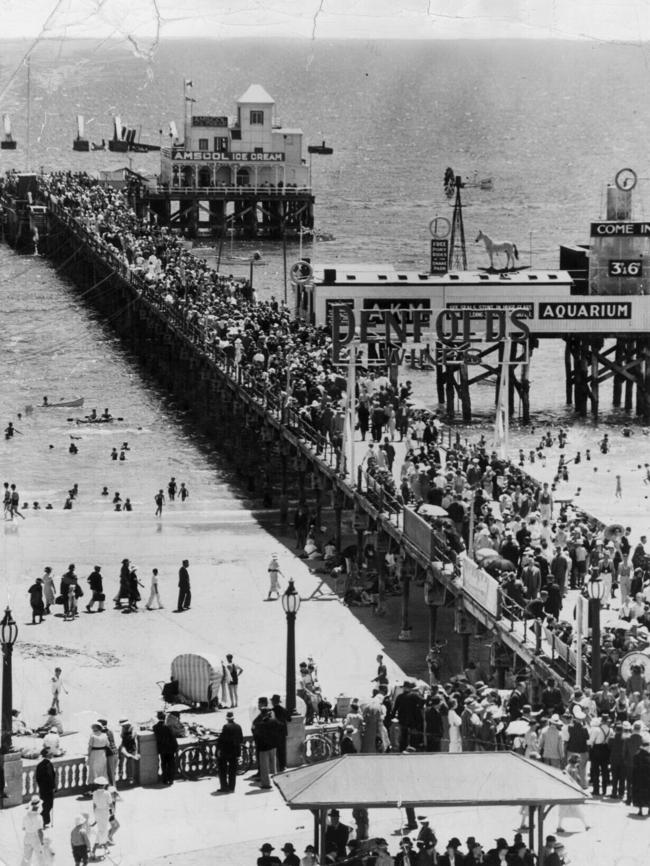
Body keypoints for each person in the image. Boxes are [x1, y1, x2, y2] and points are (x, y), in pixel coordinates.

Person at [255, 706, 283, 789]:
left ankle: (266, 784)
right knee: (274, 765)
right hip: (273, 746)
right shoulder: (274, 721)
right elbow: (281, 727)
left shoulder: (259, 725)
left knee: (264, 767)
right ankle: (276, 780)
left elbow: (256, 735)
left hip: (263, 748)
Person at [217, 710, 243, 792]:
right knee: (232, 770)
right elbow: (241, 739)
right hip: (235, 751)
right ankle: (232, 787)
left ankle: (224, 786)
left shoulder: (226, 727)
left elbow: (222, 740)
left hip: (226, 751)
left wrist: (219, 749)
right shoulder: (238, 726)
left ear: (227, 719)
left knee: (223, 770)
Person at [153, 710, 178, 786]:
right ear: (165, 717)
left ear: (158, 718)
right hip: (170, 748)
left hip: (162, 749)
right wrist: (176, 747)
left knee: (163, 764)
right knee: (171, 764)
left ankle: (164, 779)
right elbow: (173, 738)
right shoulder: (168, 727)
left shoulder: (155, 727)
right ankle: (170, 779)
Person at [35, 748, 57, 828]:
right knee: (46, 806)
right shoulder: (41, 765)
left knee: (49, 805)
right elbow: (38, 778)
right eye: (50, 754)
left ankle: (45, 820)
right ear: (47, 755)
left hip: (49, 789)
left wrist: (54, 787)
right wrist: (44, 787)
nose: (52, 755)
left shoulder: (49, 764)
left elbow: (53, 776)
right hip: (45, 790)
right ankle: (43, 820)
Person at [22, 795, 45, 865]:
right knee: (40, 858)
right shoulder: (39, 817)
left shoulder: (25, 816)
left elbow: (23, 828)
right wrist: (42, 842)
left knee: (26, 858)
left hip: (27, 837)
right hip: (36, 838)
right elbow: (40, 831)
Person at [92, 776, 112, 856]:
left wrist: (95, 814)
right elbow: (110, 804)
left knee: (103, 830)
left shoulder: (94, 793)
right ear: (104, 785)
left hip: (97, 812)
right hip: (104, 812)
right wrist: (112, 812)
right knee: (102, 831)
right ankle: (93, 850)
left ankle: (106, 847)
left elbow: (94, 805)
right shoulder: (107, 793)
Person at [271, 693, 290, 771]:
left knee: (276, 751)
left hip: (275, 733)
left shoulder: (272, 711)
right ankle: (283, 765)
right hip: (283, 732)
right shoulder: (284, 709)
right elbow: (289, 719)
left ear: (273, 702)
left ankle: (277, 766)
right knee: (282, 750)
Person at [632, 736, 650, 816]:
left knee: (639, 792)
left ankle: (640, 810)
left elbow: (634, 766)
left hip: (639, 777)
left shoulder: (637, 754)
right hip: (648, 778)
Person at [119, 718, 140, 784]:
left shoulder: (132, 727)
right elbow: (122, 736)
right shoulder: (123, 728)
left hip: (131, 747)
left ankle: (130, 778)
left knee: (130, 764)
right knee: (121, 763)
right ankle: (121, 776)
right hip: (124, 746)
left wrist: (126, 736)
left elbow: (132, 736)